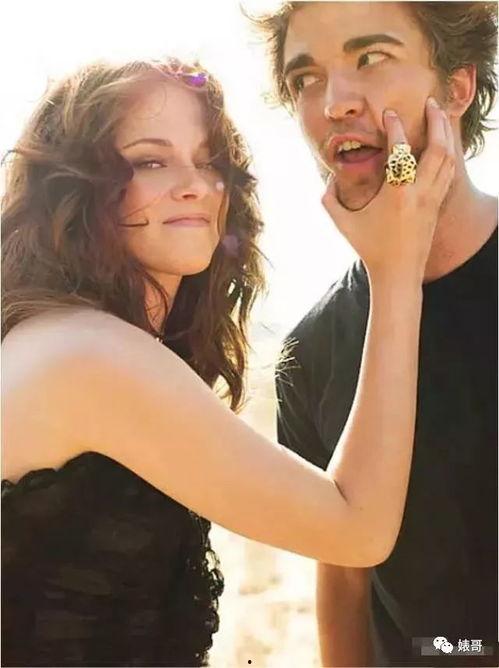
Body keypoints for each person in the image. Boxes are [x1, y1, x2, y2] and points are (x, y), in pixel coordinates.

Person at [2, 55, 453, 666]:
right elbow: (358, 529)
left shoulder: (67, 339)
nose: (196, 184)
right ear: (74, 186)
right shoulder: (88, 354)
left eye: (208, 159)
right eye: (151, 160)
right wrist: (397, 264)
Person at [251, 2, 498, 666]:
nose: (335, 103)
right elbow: (342, 585)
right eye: (305, 78)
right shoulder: (311, 353)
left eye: (370, 58)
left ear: (457, 86)